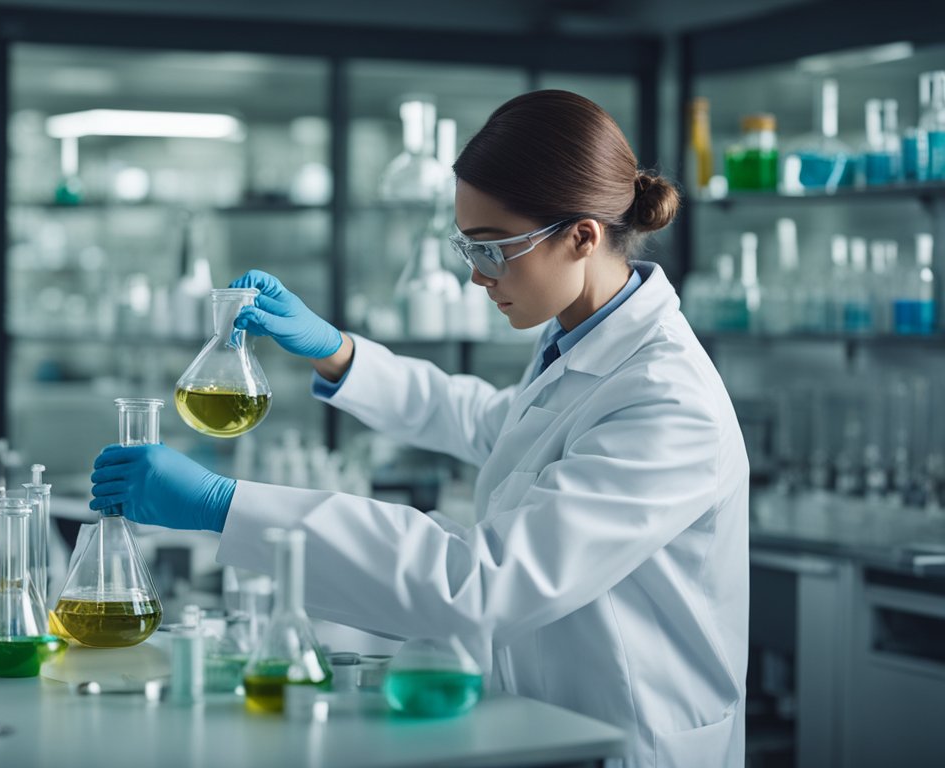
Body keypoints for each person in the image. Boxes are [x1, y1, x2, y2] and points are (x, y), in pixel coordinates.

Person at [89, 90, 748, 768]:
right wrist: (336, 351)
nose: (473, 275)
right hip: (542, 722)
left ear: (582, 236)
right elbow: (492, 424)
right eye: (466, 245)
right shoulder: (579, 336)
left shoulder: (668, 401)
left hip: (629, 740)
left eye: (494, 249)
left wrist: (226, 507)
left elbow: (480, 582)